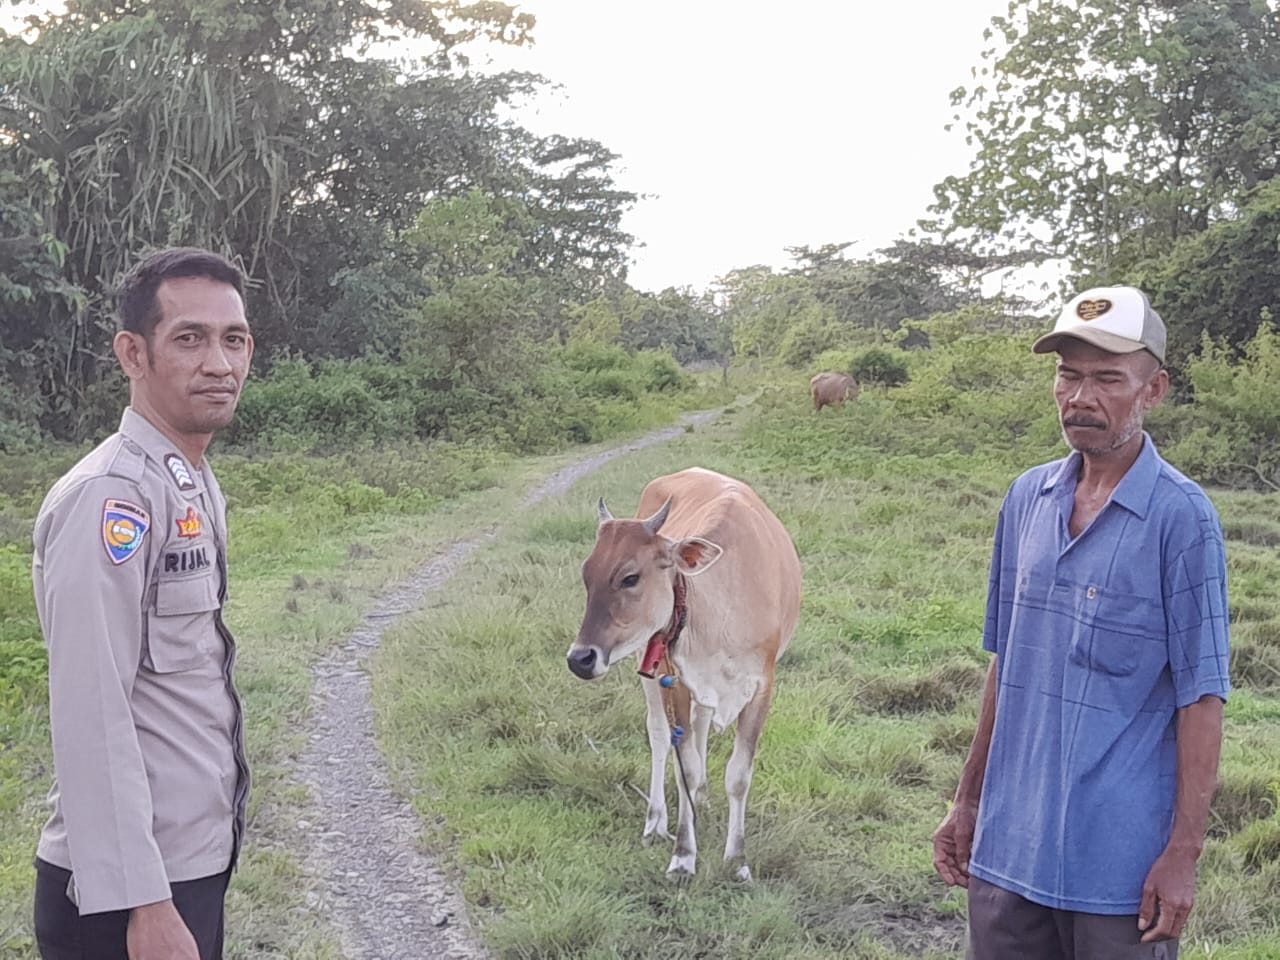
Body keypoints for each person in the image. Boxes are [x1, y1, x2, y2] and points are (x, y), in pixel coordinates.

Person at [933, 285, 1230, 960]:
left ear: (1153, 390)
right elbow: (1005, 660)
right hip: (1008, 848)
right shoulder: (1026, 498)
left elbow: (1202, 697)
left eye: (1107, 379)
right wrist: (967, 798)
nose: (1081, 398)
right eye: (1068, 376)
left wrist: (1183, 854)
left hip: (1119, 869)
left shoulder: (1182, 518)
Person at [31, 247, 255, 960]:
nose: (219, 363)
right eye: (190, 338)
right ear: (133, 353)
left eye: (234, 339)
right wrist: (144, 902)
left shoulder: (188, 480)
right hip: (124, 898)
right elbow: (90, 710)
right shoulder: (111, 497)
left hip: (189, 862)